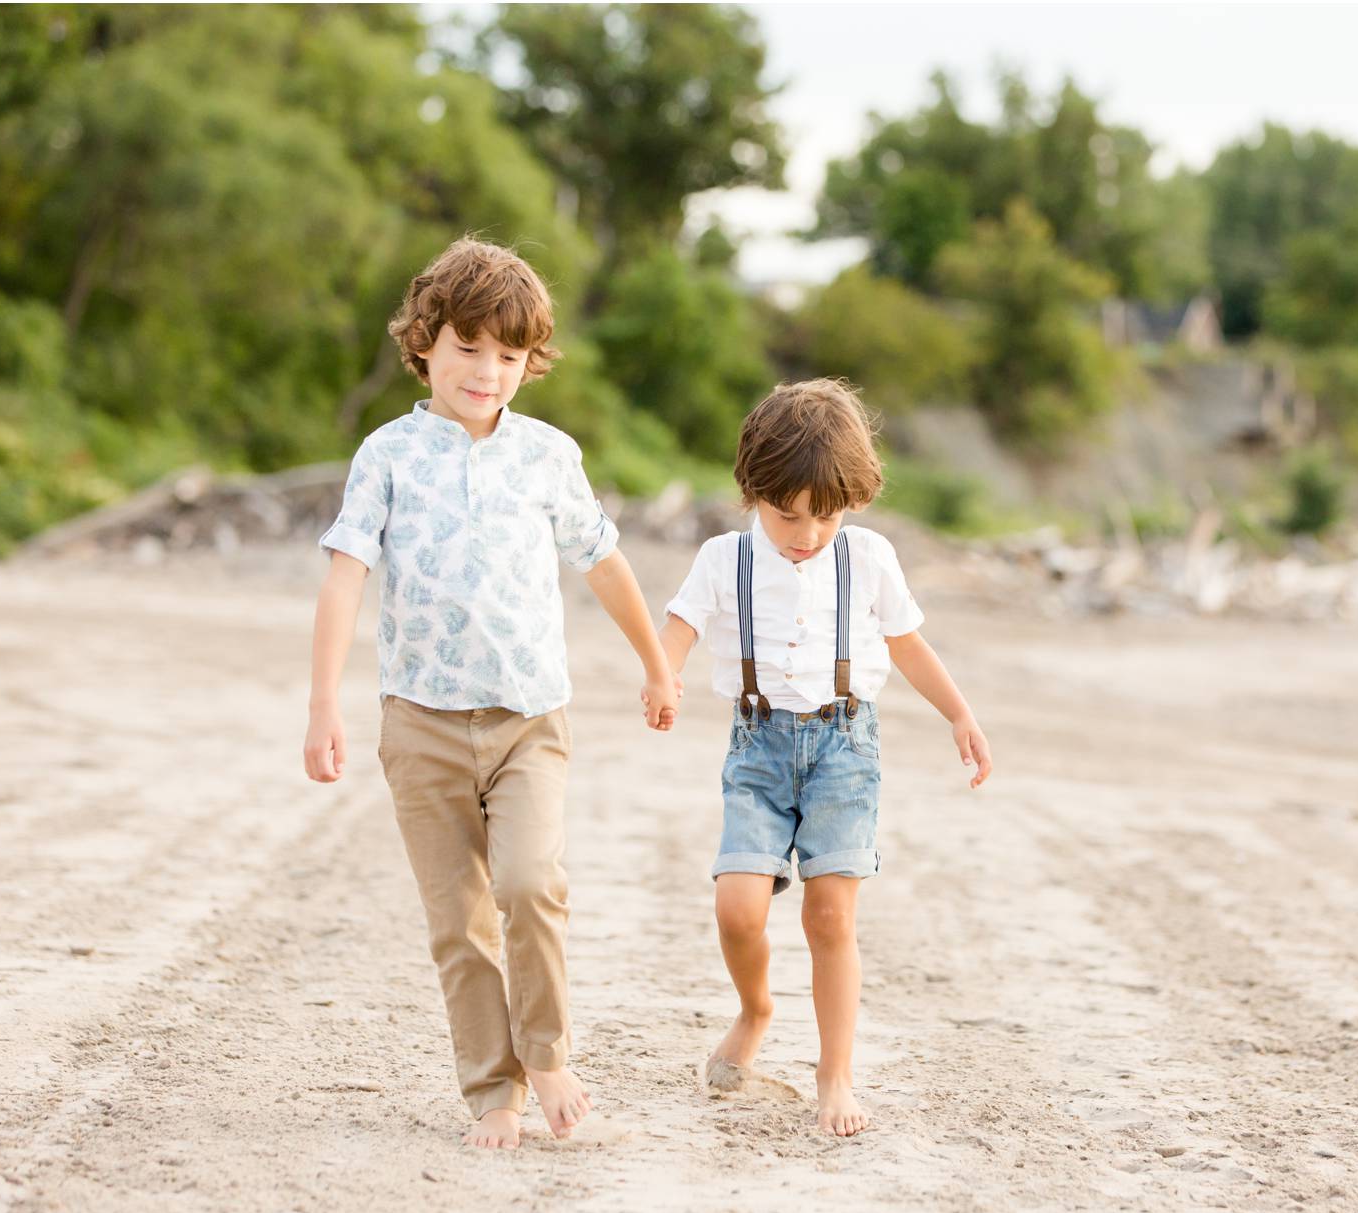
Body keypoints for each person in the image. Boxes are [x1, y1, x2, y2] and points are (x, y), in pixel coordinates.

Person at [303, 236, 679, 1149]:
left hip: (528, 720)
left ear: (529, 364)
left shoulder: (548, 457)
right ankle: (493, 1092)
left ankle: (546, 1053)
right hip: (419, 724)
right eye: (469, 347)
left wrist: (656, 662)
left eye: (509, 357)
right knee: (460, 923)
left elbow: (603, 559)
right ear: (425, 341)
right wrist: (324, 704)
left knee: (528, 882)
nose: (487, 371)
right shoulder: (386, 455)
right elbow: (347, 572)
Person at [656, 378, 993, 1137]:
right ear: (753, 492)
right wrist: (664, 671)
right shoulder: (723, 557)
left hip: (845, 746)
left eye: (827, 516)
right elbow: (680, 623)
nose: (807, 533)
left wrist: (960, 713)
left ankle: (834, 1073)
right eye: (788, 516)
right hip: (759, 747)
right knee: (738, 907)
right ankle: (756, 1008)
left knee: (830, 915)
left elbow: (907, 644)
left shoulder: (869, 558)